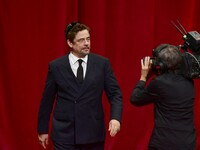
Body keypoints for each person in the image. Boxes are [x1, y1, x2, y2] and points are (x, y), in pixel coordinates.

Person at [37, 22, 122, 150]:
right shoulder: (56, 66)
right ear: (70, 43)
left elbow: (115, 94)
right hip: (65, 133)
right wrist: (42, 129)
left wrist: (115, 118)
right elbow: (47, 100)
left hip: (93, 133)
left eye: (88, 39)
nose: (86, 43)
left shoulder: (102, 64)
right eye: (81, 40)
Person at [130, 44, 196, 150]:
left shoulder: (159, 83)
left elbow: (135, 98)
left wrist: (143, 76)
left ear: (161, 65)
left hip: (165, 143)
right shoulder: (189, 81)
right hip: (187, 142)